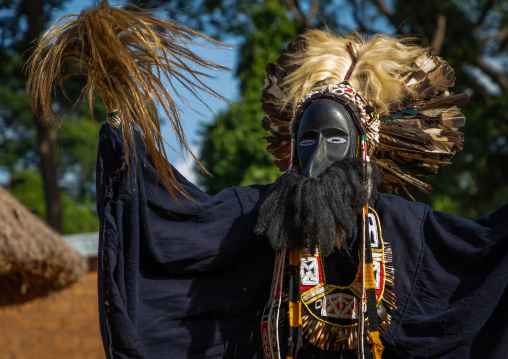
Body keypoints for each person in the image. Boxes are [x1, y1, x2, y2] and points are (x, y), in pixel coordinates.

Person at [27, 1, 508, 358]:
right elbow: (175, 228)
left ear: (364, 148)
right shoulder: (258, 217)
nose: (317, 156)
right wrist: (127, 141)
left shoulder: (408, 230)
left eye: (335, 140)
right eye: (306, 140)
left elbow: (482, 263)